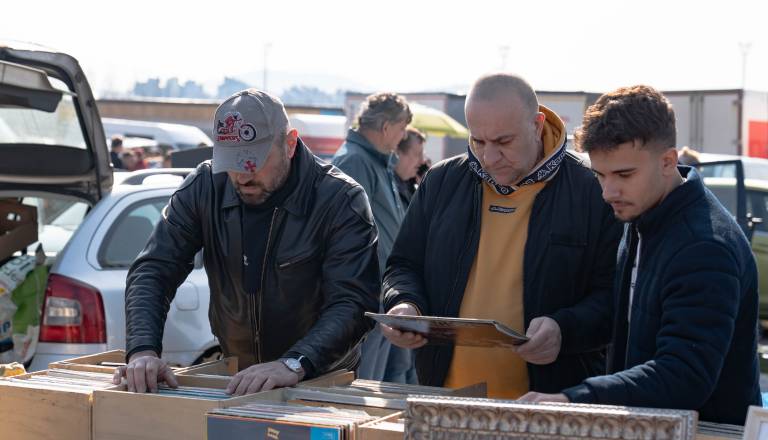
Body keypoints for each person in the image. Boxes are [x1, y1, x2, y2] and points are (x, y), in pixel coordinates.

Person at [520, 85, 761, 425]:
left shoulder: (704, 247)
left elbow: (683, 376)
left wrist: (574, 401)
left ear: (667, 161)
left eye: (623, 175)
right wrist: (564, 329)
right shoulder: (644, 214)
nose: (607, 192)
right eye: (599, 175)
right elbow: (630, 317)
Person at [114, 89, 380, 395]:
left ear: (290, 144)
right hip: (240, 376)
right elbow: (154, 269)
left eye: (253, 161)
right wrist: (143, 350)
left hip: (323, 377)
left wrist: (294, 363)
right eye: (232, 162)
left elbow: (353, 301)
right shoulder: (205, 187)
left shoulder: (340, 200)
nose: (241, 176)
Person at [380, 73, 622, 399]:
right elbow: (403, 265)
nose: (489, 157)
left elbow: (615, 296)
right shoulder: (441, 182)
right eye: (478, 141)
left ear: (537, 125)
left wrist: (565, 330)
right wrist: (404, 303)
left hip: (551, 409)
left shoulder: (592, 189)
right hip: (444, 401)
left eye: (504, 142)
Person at [332, 92, 416, 383]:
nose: (402, 136)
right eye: (402, 128)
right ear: (386, 127)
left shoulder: (374, 162)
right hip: (368, 294)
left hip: (382, 291)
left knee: (384, 380)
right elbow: (345, 234)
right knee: (365, 384)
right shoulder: (355, 162)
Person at [394, 127, 426, 207]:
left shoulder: (413, 187)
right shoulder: (386, 187)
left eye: (422, 155)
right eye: (417, 154)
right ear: (397, 152)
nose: (422, 161)